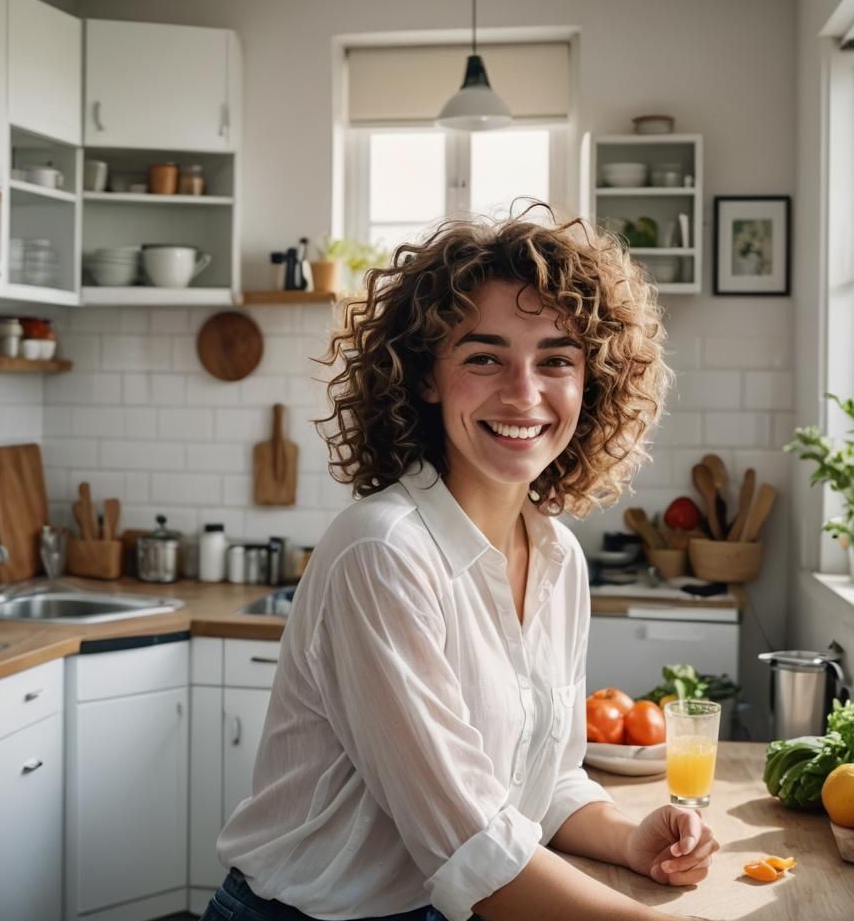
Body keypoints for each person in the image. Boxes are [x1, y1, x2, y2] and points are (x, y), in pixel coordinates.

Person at [203, 208, 719, 921]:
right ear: (424, 378)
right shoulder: (382, 553)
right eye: (484, 356)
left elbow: (545, 780)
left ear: (589, 383)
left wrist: (630, 839)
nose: (524, 392)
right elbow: (473, 849)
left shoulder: (558, 555)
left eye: (556, 360)